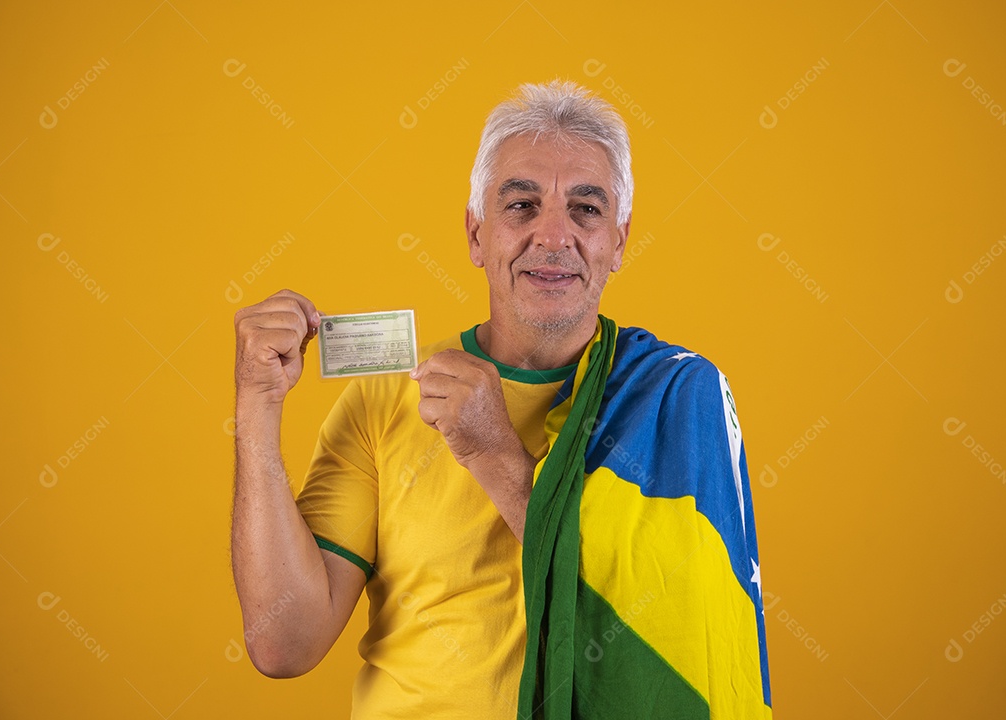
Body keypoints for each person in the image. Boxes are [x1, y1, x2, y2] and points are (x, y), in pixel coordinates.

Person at [232, 80, 772, 719]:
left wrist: (496, 455)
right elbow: (283, 642)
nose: (553, 235)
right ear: (475, 235)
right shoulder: (385, 399)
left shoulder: (678, 395)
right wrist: (257, 409)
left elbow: (673, 639)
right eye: (521, 205)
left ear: (619, 242)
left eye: (586, 209)